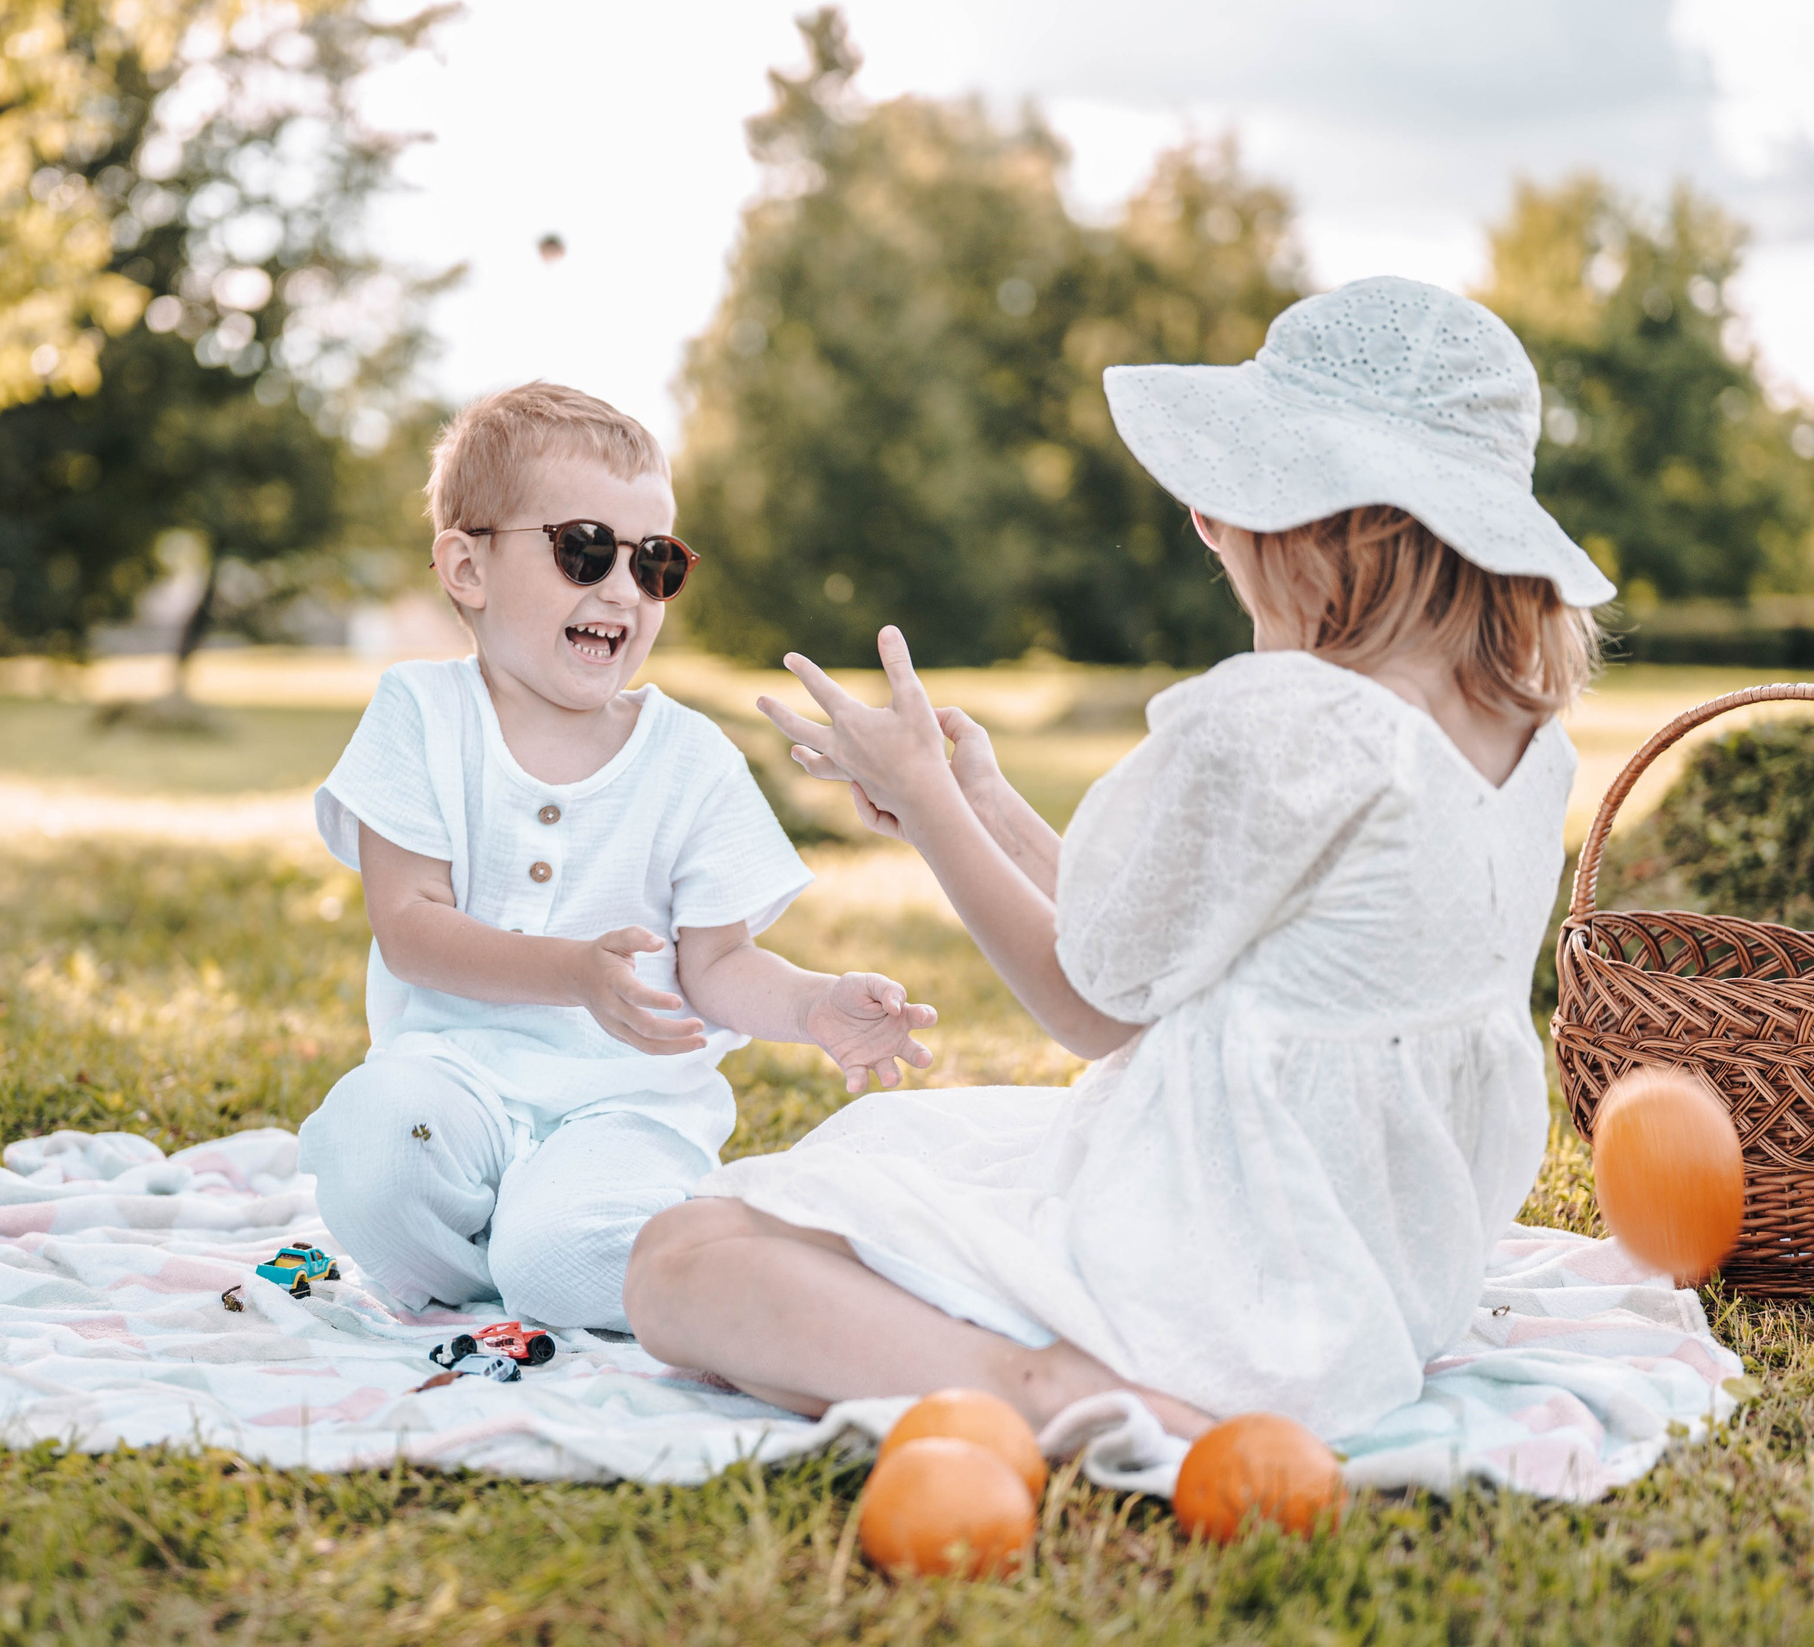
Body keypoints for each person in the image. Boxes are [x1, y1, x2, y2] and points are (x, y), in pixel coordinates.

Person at [624, 276, 1616, 1444]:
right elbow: (1167, 948)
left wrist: (927, 802)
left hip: (1216, 1285)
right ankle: (1050, 1370)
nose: (1205, 523)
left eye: (1230, 494)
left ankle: (1045, 1389)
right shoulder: (1527, 742)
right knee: (885, 1176)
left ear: (1323, 530)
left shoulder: (1282, 725)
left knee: (679, 1259)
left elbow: (1090, 1007)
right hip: (1377, 1290)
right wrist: (984, 805)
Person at [299, 382, 938, 1334]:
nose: (622, 589)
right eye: (585, 549)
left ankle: (636, 1260)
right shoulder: (420, 714)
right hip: (452, 1083)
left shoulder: (690, 758)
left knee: (558, 1255)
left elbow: (716, 963)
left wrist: (812, 1004)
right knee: (374, 1144)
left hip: (626, 1105)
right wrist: (571, 972)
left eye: (655, 562)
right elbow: (409, 929)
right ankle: (487, 1272)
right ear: (468, 567)